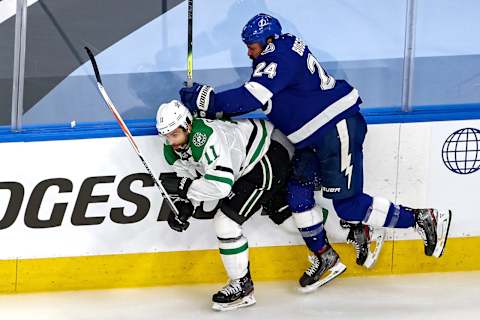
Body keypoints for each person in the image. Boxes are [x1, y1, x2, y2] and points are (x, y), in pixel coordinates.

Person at [178, 13, 452, 292]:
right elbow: (258, 96)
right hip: (312, 140)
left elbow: (251, 96)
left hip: (335, 129)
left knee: (348, 203)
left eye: (254, 46)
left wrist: (208, 100)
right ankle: (326, 257)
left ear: (270, 40)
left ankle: (422, 218)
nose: (249, 52)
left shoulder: (279, 58)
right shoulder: (276, 53)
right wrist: (211, 106)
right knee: (298, 195)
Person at [156, 99, 294, 311]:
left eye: (175, 134)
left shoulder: (205, 138)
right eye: (166, 136)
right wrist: (186, 205)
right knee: (289, 218)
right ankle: (336, 238)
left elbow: (220, 186)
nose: (171, 141)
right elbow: (194, 180)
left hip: (268, 152)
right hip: (252, 162)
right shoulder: (173, 150)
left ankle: (242, 287)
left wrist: (185, 189)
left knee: (225, 223)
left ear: (188, 125)